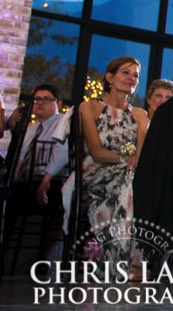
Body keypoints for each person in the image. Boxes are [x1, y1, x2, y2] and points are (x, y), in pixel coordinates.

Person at [79, 57, 149, 263]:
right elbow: (96, 151)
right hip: (96, 171)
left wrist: (132, 160)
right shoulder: (89, 107)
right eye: (125, 72)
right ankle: (128, 260)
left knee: (131, 183)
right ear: (110, 76)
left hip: (127, 174)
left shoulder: (139, 114)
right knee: (128, 183)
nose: (131, 78)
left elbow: (141, 153)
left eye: (135, 75)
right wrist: (123, 158)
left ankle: (114, 256)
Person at [5, 84, 71, 260]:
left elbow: (62, 152)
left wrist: (46, 179)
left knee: (9, 200)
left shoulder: (62, 122)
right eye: (37, 99)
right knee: (6, 197)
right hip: (23, 183)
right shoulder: (30, 129)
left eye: (46, 99)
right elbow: (17, 158)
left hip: (51, 182)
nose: (40, 103)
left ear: (58, 103)